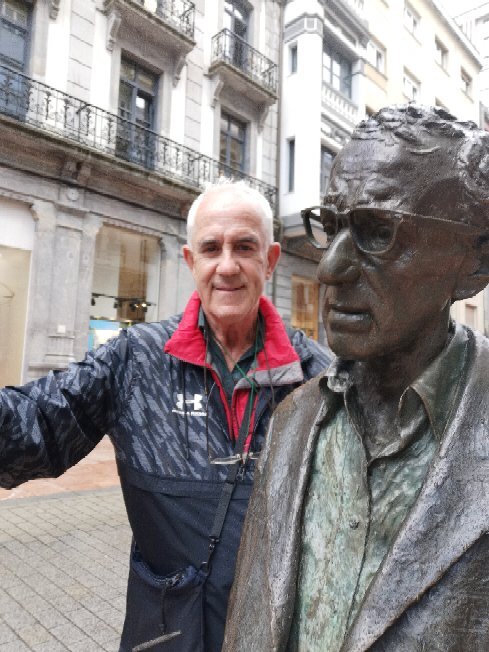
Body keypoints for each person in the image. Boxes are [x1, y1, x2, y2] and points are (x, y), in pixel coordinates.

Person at [0, 180, 330, 651]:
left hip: (278, 637)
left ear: (271, 259)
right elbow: (37, 424)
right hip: (163, 636)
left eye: (245, 247)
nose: (228, 266)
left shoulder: (319, 378)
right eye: (211, 248)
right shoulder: (137, 359)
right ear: (190, 260)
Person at [223, 104, 489, 651]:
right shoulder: (294, 420)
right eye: (333, 224)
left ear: (475, 262)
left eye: (377, 231)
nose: (330, 269)